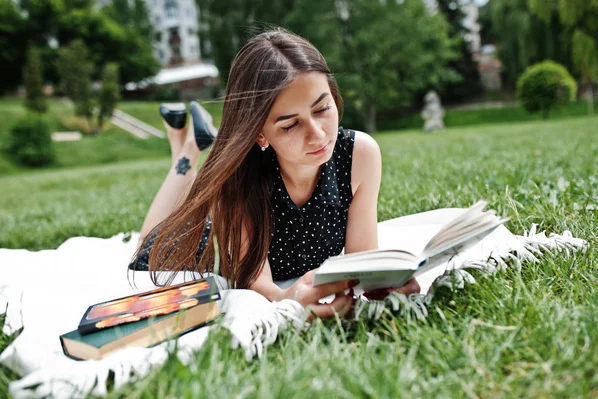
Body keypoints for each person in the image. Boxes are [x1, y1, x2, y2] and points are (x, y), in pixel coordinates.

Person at [130, 29, 419, 319]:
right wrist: (293, 299)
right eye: (290, 125)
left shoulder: (360, 155)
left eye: (322, 108)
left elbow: (361, 262)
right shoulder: (237, 177)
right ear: (259, 134)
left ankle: (186, 141)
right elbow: (261, 287)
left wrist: (383, 285)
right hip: (202, 244)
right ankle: (188, 149)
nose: (317, 135)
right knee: (146, 241)